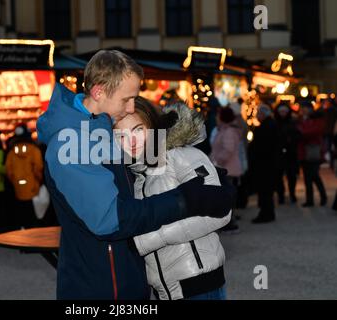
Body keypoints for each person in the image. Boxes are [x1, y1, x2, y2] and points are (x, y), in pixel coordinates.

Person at [37, 50, 236, 300]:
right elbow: (110, 219)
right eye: (126, 99)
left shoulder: (100, 129)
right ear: (98, 92)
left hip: (137, 282)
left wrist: (208, 175)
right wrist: (185, 199)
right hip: (103, 289)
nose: (131, 107)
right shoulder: (72, 143)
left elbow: (152, 152)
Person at [114, 97, 231, 300]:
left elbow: (220, 212)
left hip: (200, 287)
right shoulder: (136, 174)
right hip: (163, 291)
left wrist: (149, 241)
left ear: (152, 126)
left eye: (137, 130)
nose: (130, 142)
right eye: (121, 136)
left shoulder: (182, 155)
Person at [210, 107, 242, 233]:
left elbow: (228, 150)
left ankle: (230, 223)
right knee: (226, 196)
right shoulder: (224, 130)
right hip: (225, 168)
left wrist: (217, 161)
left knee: (227, 197)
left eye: (218, 115)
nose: (216, 117)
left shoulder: (228, 131)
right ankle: (228, 222)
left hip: (227, 169)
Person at [5, 124, 44, 229]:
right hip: (32, 186)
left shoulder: (12, 152)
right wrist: (39, 181)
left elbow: (8, 170)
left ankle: (22, 229)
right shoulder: (34, 150)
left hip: (18, 186)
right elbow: (38, 167)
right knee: (33, 212)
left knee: (21, 210)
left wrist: (14, 180)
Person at [248, 104, 279, 223]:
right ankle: (268, 213)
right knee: (267, 191)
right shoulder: (270, 125)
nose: (256, 116)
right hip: (268, 164)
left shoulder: (265, 127)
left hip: (265, 165)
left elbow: (261, 148)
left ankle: (266, 213)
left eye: (258, 114)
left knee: (265, 191)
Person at [297, 103, 327, 207]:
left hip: (313, 152)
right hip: (304, 152)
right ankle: (310, 200)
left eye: (305, 108)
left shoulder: (317, 119)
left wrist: (301, 131)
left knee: (314, 176)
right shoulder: (301, 119)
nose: (303, 110)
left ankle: (323, 197)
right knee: (307, 177)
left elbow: (312, 132)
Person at [274, 104, 300, 204]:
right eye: (281, 112)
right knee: (278, 176)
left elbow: (297, 136)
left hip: (290, 154)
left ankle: (292, 194)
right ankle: (281, 195)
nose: (283, 114)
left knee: (291, 176)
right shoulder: (275, 123)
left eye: (285, 112)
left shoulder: (292, 123)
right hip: (279, 154)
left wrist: (291, 141)